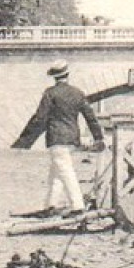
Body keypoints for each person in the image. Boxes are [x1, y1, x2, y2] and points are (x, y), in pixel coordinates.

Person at [13, 60, 105, 216]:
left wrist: (24, 140)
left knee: (65, 171)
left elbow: (39, 118)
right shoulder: (78, 93)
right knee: (56, 172)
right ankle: (51, 205)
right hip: (72, 139)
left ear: (54, 77)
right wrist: (98, 137)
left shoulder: (50, 93)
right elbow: (90, 117)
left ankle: (77, 206)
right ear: (67, 74)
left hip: (56, 138)